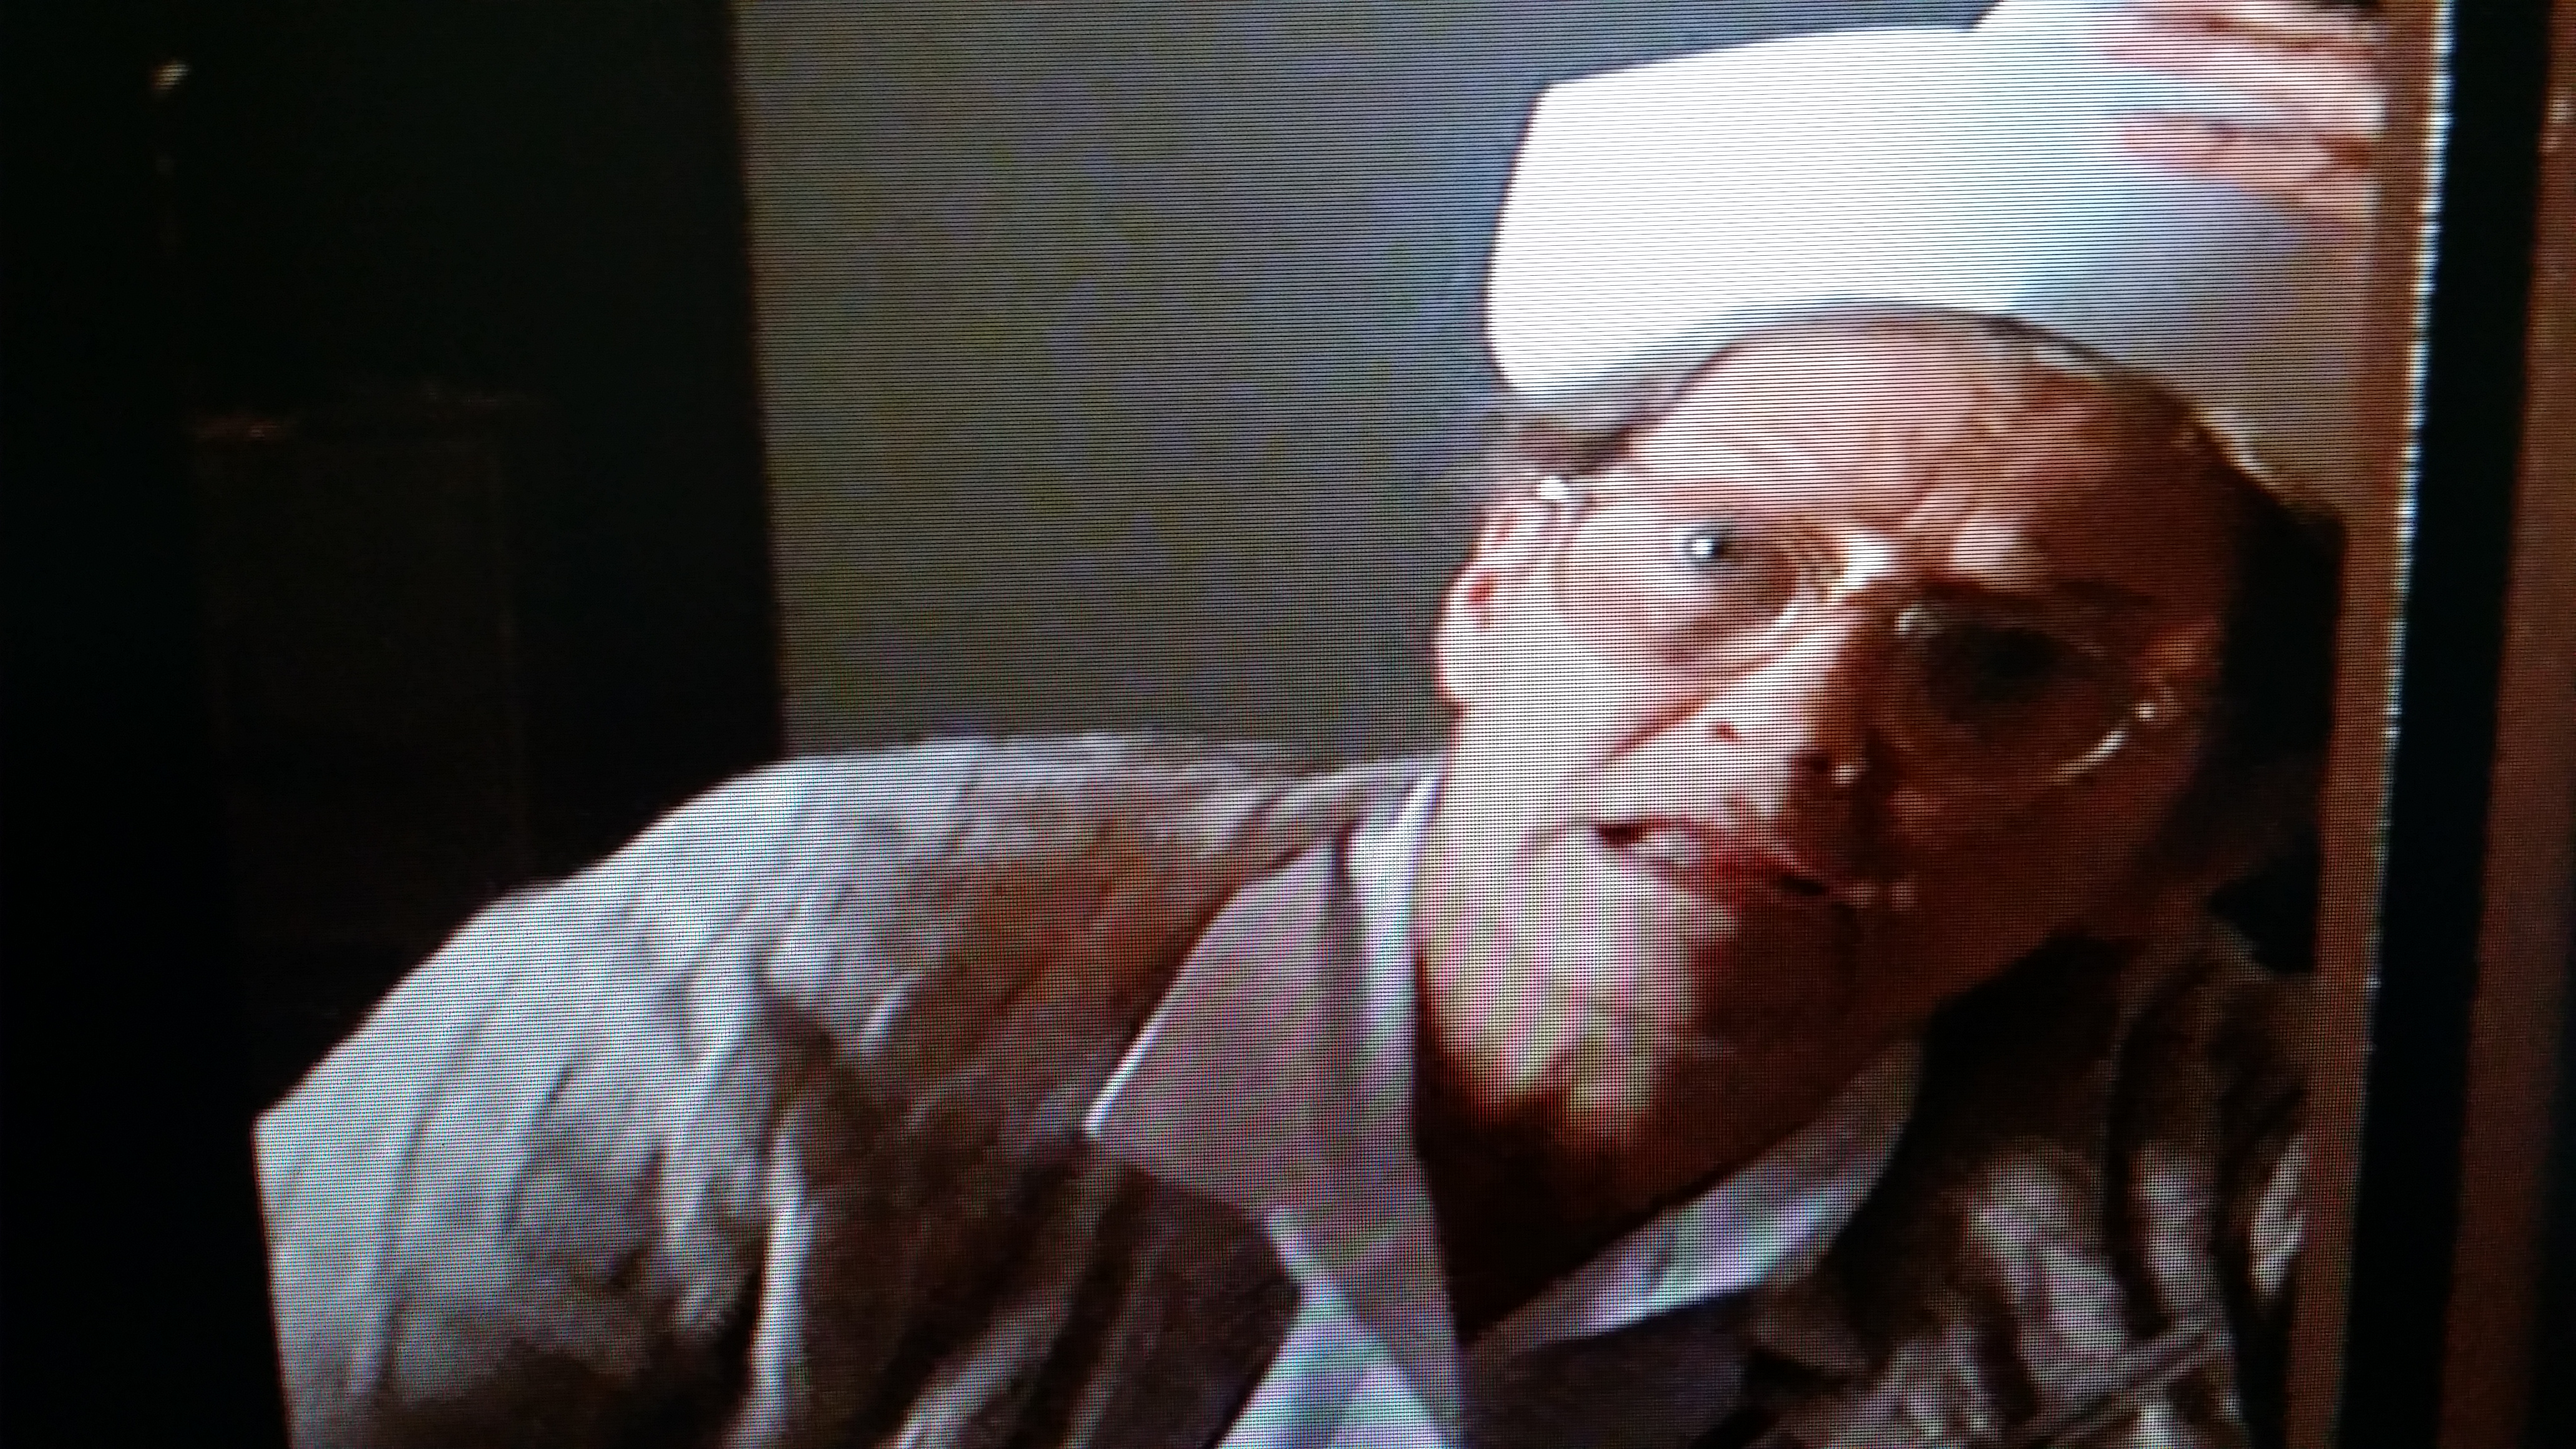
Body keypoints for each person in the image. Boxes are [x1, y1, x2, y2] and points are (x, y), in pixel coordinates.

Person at [253, 2, 2382, 1446]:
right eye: (1720, 557)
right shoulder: (791, 974)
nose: (1802, 728)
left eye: (2007, 665)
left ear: (2197, 835)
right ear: (1492, 587)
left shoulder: (2250, 1184)